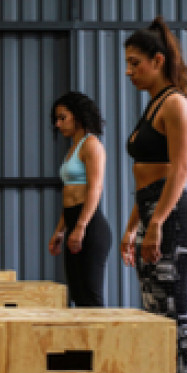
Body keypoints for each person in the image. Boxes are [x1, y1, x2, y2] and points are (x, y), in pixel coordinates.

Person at [118, 18, 187, 373]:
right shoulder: (152, 104)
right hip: (154, 216)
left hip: (174, 220)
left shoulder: (175, 105)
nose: (129, 71)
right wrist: (132, 226)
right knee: (157, 318)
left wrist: (154, 224)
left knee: (177, 317)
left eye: (136, 63)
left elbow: (180, 171)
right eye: (126, 64)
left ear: (158, 61)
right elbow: (145, 179)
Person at [49, 92, 111, 306]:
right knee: (78, 295)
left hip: (90, 227)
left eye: (62, 117)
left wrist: (81, 226)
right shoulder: (72, 150)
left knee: (91, 296)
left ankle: (101, 340)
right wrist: (60, 230)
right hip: (74, 222)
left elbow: (95, 188)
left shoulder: (91, 145)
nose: (58, 124)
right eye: (56, 119)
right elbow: (70, 196)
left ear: (78, 116)